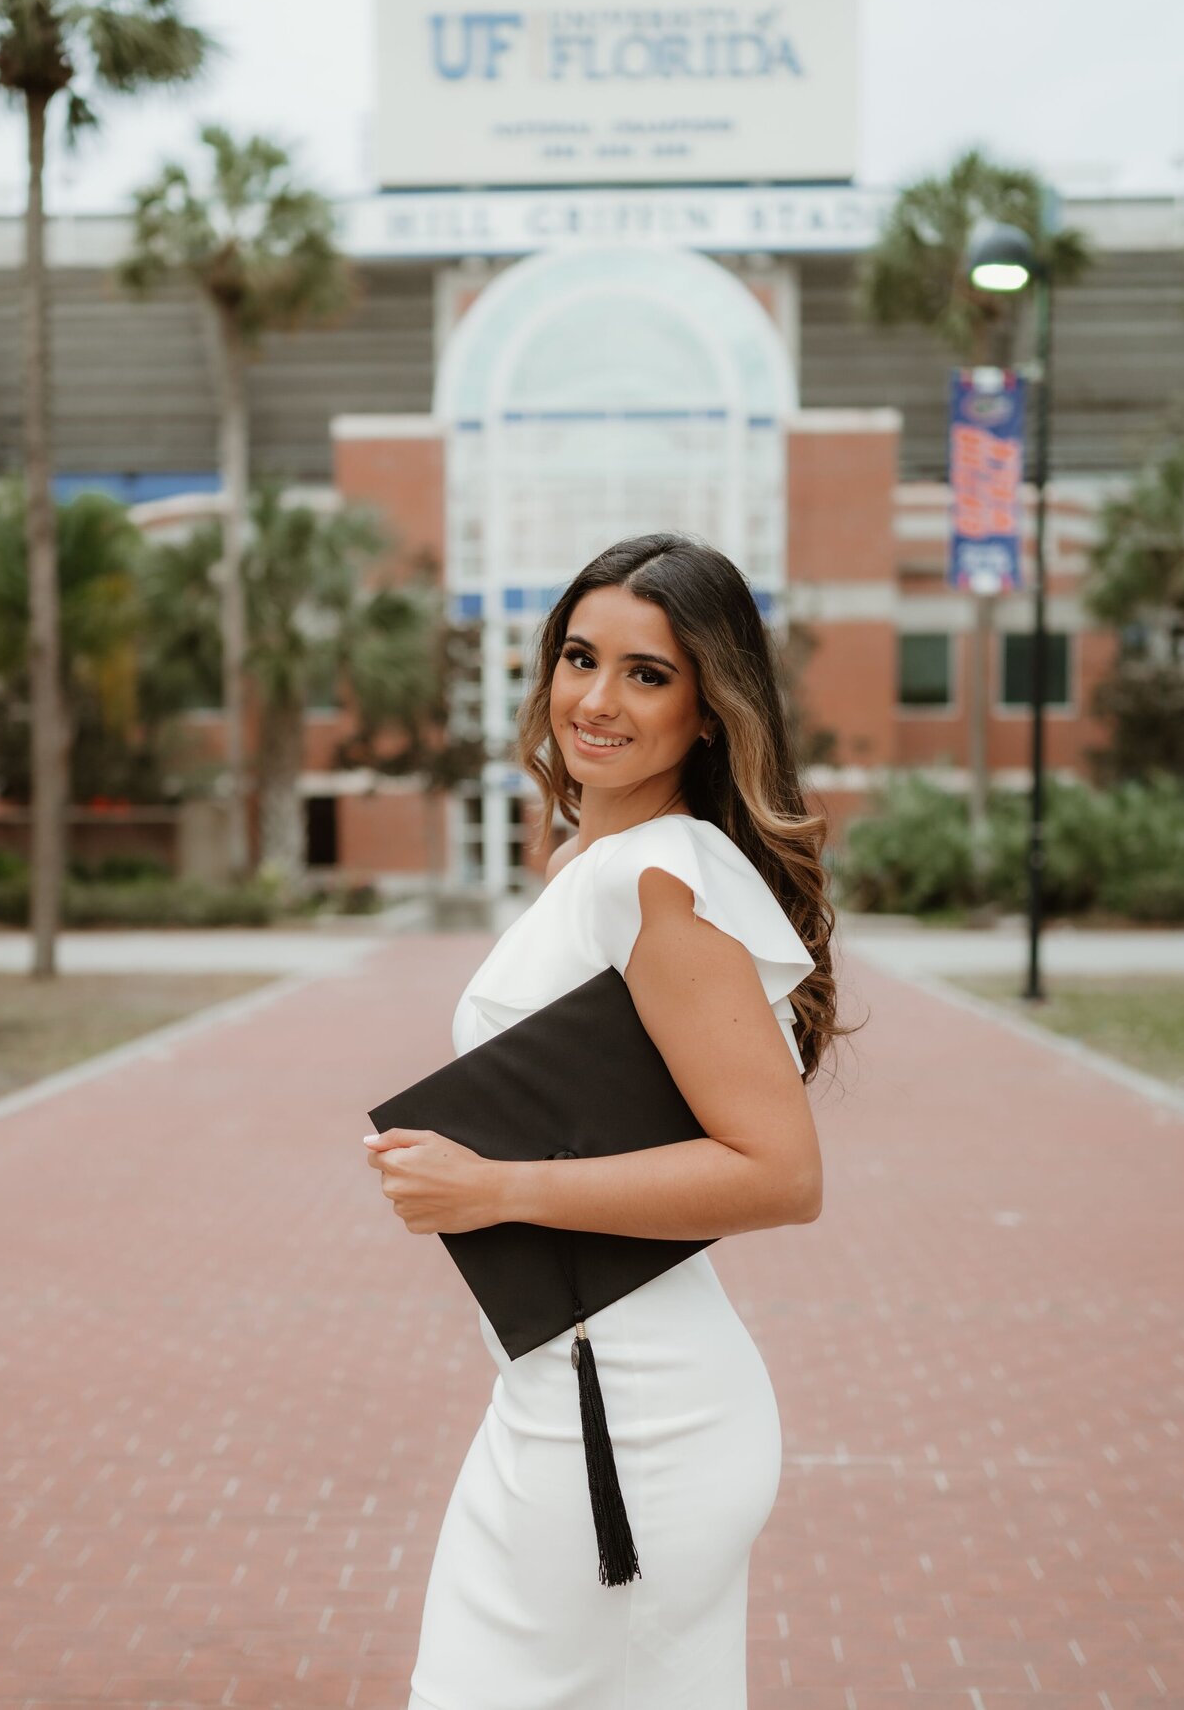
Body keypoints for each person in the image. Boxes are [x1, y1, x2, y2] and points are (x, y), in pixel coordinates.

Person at [364, 531, 853, 1710]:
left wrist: (496, 1190)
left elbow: (781, 1172)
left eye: (648, 673)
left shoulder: (653, 882)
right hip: (574, 1386)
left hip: (626, 1419)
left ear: (711, 710)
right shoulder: (608, 860)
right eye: (580, 657)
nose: (595, 698)